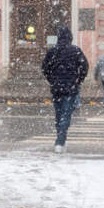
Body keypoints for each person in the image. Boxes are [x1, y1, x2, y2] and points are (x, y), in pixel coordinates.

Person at [42, 26, 89, 154]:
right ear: (70, 37)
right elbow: (85, 67)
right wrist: (77, 80)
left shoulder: (53, 51)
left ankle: (60, 139)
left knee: (59, 115)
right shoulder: (76, 51)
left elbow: (45, 68)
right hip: (70, 88)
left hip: (57, 88)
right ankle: (60, 141)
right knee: (66, 115)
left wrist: (52, 80)